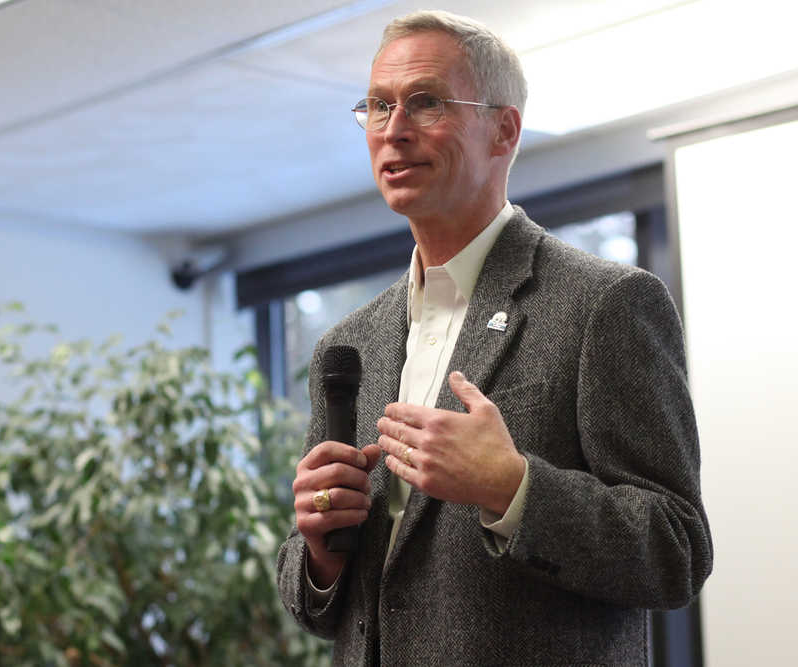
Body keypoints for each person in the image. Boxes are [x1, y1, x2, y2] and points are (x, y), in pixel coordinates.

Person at [276, 9, 712, 666]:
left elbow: (675, 550)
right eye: (377, 106)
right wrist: (316, 550)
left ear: (503, 129)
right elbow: (335, 604)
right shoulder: (350, 344)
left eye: (424, 103)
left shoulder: (604, 303)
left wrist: (513, 487)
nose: (393, 131)